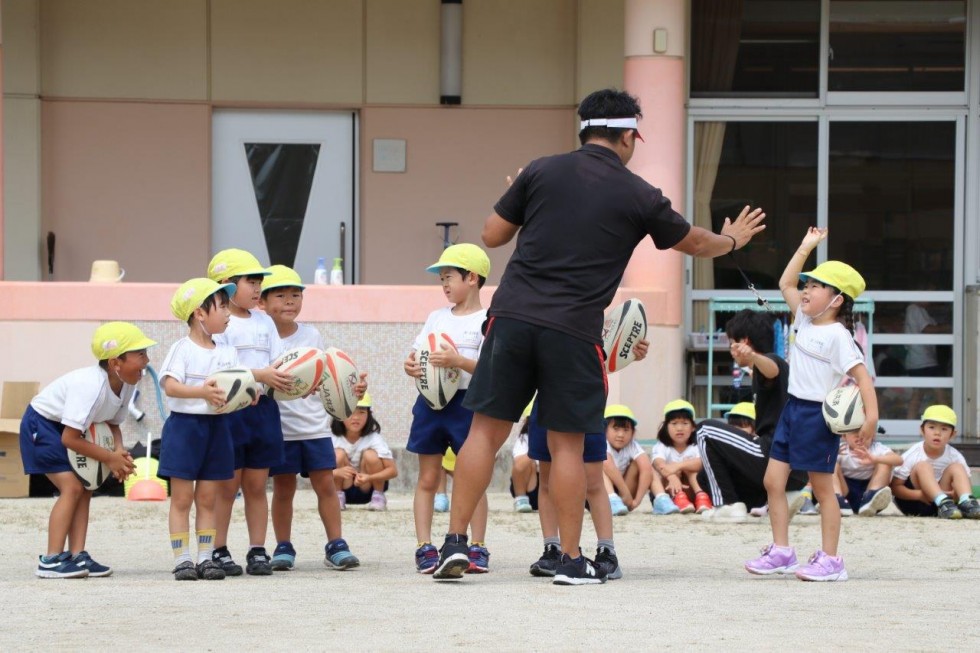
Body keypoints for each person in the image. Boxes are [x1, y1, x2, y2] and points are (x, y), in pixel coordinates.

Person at [433, 88, 765, 584]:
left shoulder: (540, 170)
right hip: (573, 328)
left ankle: (455, 543)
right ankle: (570, 559)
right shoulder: (639, 193)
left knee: (486, 430)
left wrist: (523, 197)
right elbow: (694, 242)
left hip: (513, 316)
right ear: (629, 135)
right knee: (567, 446)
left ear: (584, 130)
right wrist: (734, 239)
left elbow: (491, 235)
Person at [745, 227, 877, 583]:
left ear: (836, 300)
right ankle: (782, 552)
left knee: (822, 489)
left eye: (816, 286)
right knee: (774, 481)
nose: (806, 289)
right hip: (792, 411)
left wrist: (871, 418)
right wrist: (804, 247)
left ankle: (832, 560)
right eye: (809, 284)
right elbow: (786, 283)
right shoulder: (803, 318)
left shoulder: (839, 336)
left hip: (818, 417)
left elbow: (863, 378)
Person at [20, 322, 150, 578]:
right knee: (72, 487)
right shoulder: (90, 385)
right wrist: (109, 458)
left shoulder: (127, 384)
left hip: (74, 430)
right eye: (141, 355)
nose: (146, 361)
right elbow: (69, 438)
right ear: (116, 363)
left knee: (87, 488)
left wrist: (120, 452)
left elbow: (112, 423)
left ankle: (78, 555)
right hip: (43, 425)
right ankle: (51, 559)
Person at [260, 265, 366, 572]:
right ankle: (283, 546)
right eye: (281, 295)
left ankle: (336, 544)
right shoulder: (261, 337)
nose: (290, 301)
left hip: (314, 425)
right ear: (262, 303)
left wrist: (353, 388)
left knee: (325, 485)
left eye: (296, 295)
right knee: (283, 489)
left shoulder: (311, 335)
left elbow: (326, 376)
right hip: (279, 429)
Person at [403, 244, 492, 574]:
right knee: (428, 477)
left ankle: (476, 546)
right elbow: (416, 355)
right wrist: (411, 366)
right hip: (430, 403)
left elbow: (490, 368)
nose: (444, 285)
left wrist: (458, 361)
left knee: (473, 479)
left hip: (469, 405)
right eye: (441, 279)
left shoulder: (487, 320)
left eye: (449, 277)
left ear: (471, 278)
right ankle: (424, 546)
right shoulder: (436, 317)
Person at [207, 249, 294, 577]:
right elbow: (221, 367)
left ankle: (258, 549)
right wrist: (258, 376)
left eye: (259, 282)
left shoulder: (264, 321)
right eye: (251, 281)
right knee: (227, 486)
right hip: (230, 413)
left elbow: (279, 361)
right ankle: (218, 549)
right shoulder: (220, 322)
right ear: (227, 284)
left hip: (263, 412)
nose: (258, 288)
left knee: (257, 485)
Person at [158, 279, 241, 581]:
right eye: (221, 306)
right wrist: (202, 393)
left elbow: (236, 387)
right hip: (185, 430)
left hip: (218, 428)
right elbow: (170, 386)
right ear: (200, 314)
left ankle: (206, 558)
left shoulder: (228, 351)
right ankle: (182, 559)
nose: (228, 312)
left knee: (208, 498)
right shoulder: (182, 348)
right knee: (181, 499)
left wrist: (246, 395)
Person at [697, 309, 808, 522]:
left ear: (744, 341)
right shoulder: (768, 368)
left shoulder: (772, 362)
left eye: (732, 343)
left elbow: (772, 369)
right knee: (704, 477)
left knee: (705, 429)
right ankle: (775, 500)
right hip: (793, 470)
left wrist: (753, 357)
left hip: (776, 455)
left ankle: (728, 505)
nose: (731, 350)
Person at [526, 401, 622, 583]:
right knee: (547, 482)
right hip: (546, 401)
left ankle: (607, 551)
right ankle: (552, 548)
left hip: (582, 396)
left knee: (593, 482)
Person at [890, 405, 980, 520]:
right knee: (923, 465)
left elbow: (964, 484)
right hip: (915, 502)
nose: (937, 433)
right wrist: (920, 495)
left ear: (952, 434)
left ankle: (968, 504)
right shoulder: (913, 453)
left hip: (947, 507)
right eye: (932, 427)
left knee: (956, 467)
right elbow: (895, 488)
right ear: (922, 430)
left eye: (944, 429)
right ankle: (941, 500)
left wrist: (955, 495)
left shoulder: (954, 455)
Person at [331, 393, 398, 510]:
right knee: (338, 454)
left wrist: (369, 478)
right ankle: (337, 496)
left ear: (369, 415)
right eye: (350, 412)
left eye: (361, 412)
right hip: (343, 485)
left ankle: (378, 496)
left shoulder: (374, 438)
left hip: (368, 487)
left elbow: (393, 471)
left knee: (370, 455)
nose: (356, 417)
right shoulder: (332, 438)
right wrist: (337, 472)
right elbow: (315, 472)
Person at [649, 400, 711, 515]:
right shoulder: (662, 446)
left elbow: (703, 462)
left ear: (693, 427)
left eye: (685, 423)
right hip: (668, 491)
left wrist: (678, 465)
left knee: (690, 466)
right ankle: (676, 498)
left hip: (691, 491)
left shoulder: (697, 445)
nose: (679, 428)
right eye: (674, 423)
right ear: (666, 427)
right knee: (663, 470)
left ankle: (702, 497)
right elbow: (658, 463)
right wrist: (672, 476)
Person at [834, 430, 901, 517]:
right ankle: (837, 499)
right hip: (845, 493)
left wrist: (875, 459)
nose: (859, 435)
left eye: (864, 432)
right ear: (844, 436)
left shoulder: (877, 448)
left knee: (884, 463)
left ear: (873, 435)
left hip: (869, 491)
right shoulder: (841, 449)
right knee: (831, 464)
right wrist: (832, 453)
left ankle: (870, 500)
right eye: (855, 431)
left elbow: (899, 460)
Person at [601, 404, 652, 516]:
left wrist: (636, 501)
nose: (621, 434)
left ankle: (661, 498)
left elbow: (646, 467)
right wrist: (626, 493)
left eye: (626, 430)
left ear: (632, 433)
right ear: (604, 430)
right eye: (616, 429)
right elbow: (607, 464)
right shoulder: (602, 442)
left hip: (623, 496)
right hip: (601, 495)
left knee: (639, 465)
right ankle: (612, 499)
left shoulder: (632, 445)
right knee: (598, 464)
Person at [510, 409, 539, 513]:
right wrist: (538, 449)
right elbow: (519, 466)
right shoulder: (524, 437)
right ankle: (521, 499)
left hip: (552, 486)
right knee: (527, 462)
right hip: (532, 488)